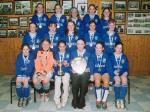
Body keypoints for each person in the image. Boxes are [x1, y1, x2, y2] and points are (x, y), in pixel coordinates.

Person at [90, 41, 112, 109]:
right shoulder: (92, 55)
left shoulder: (106, 56)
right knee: (97, 81)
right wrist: (91, 75)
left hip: (105, 72)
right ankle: (98, 99)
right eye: (97, 48)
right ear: (95, 48)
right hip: (97, 71)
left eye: (100, 48)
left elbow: (109, 67)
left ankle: (104, 100)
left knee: (106, 82)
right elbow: (91, 66)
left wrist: (111, 78)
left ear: (103, 48)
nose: (98, 49)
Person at [70, 38, 90, 109]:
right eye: (78, 44)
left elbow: (91, 64)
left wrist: (88, 69)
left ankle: (82, 98)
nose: (80, 45)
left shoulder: (88, 53)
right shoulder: (73, 53)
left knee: (84, 78)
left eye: (82, 44)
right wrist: (72, 69)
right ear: (76, 45)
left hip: (85, 72)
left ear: (84, 44)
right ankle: (75, 99)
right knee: (75, 78)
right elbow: (71, 63)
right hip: (75, 72)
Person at [110, 42, 129, 109]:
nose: (119, 49)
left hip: (122, 73)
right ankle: (117, 99)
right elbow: (109, 67)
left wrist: (125, 72)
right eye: (118, 47)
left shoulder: (124, 56)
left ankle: (122, 99)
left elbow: (126, 67)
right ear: (115, 48)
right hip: (113, 74)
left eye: (121, 48)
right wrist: (114, 72)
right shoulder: (111, 56)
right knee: (117, 79)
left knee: (124, 79)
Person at [54, 40, 71, 109]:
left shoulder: (68, 54)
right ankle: (57, 101)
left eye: (63, 46)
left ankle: (64, 100)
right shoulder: (55, 54)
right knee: (57, 83)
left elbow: (71, 64)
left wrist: (67, 64)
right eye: (60, 46)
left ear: (65, 47)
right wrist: (55, 64)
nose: (62, 48)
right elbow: (53, 65)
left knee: (65, 83)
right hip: (58, 71)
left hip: (66, 71)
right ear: (58, 47)